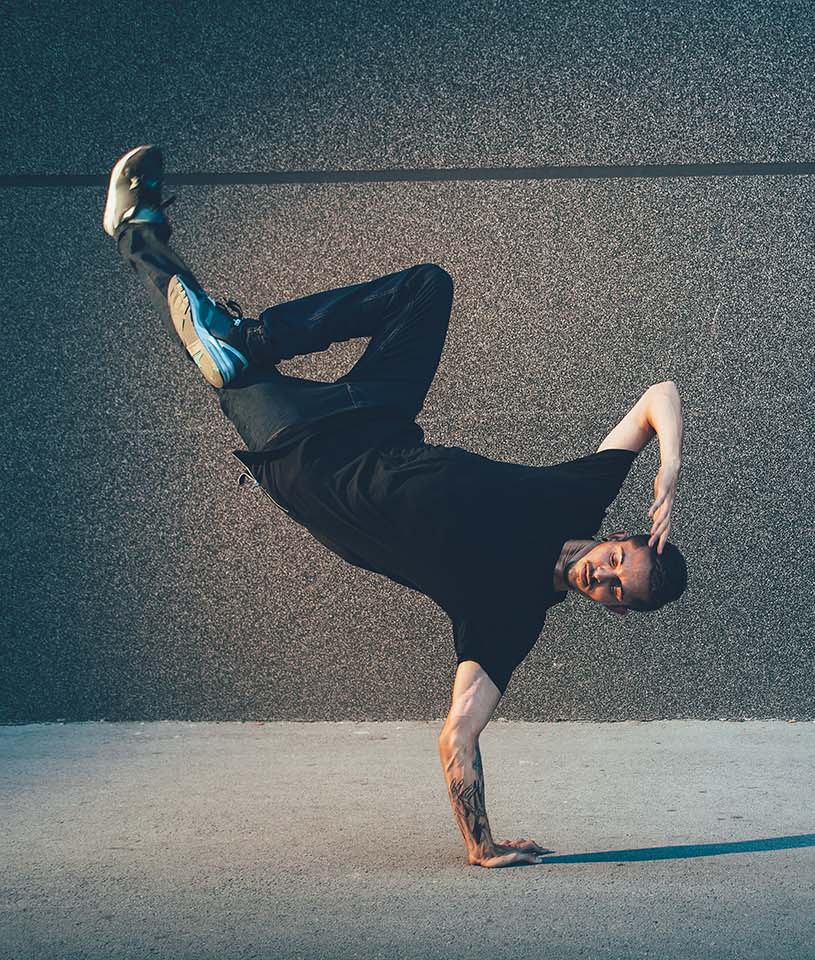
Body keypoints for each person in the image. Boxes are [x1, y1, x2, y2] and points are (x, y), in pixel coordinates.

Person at [104, 145, 690, 868]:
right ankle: (254, 333)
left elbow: (458, 736)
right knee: (426, 288)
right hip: (376, 419)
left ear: (616, 610)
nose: (599, 576)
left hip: (310, 462)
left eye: (611, 590)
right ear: (620, 535)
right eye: (613, 562)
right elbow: (657, 394)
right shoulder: (581, 496)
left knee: (222, 363)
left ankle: (138, 229)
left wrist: (481, 845)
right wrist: (666, 471)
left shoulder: (510, 618)